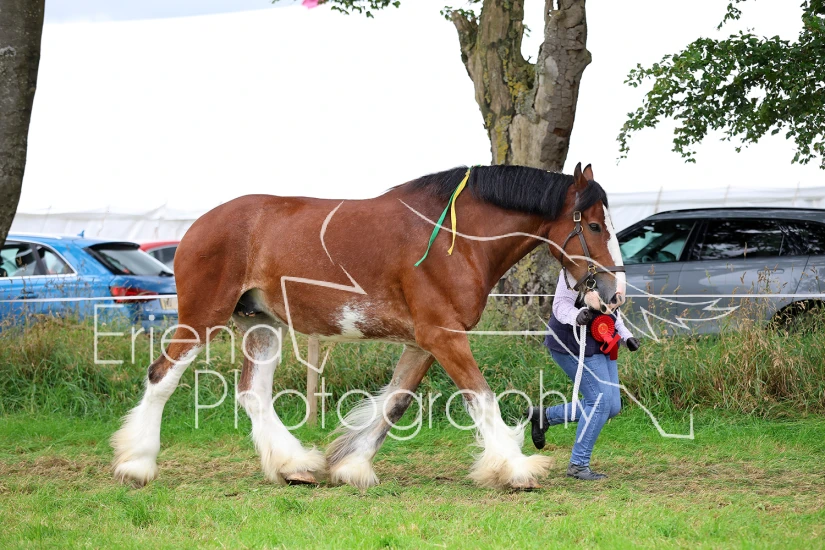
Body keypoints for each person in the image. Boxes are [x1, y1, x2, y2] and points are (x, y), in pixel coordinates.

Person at [526, 270, 640, 480]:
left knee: (612, 407)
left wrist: (626, 336)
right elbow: (560, 305)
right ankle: (578, 465)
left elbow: (613, 312)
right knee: (600, 403)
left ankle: (545, 416)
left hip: (602, 342)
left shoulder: (611, 269)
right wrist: (576, 316)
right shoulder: (572, 269)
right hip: (570, 342)